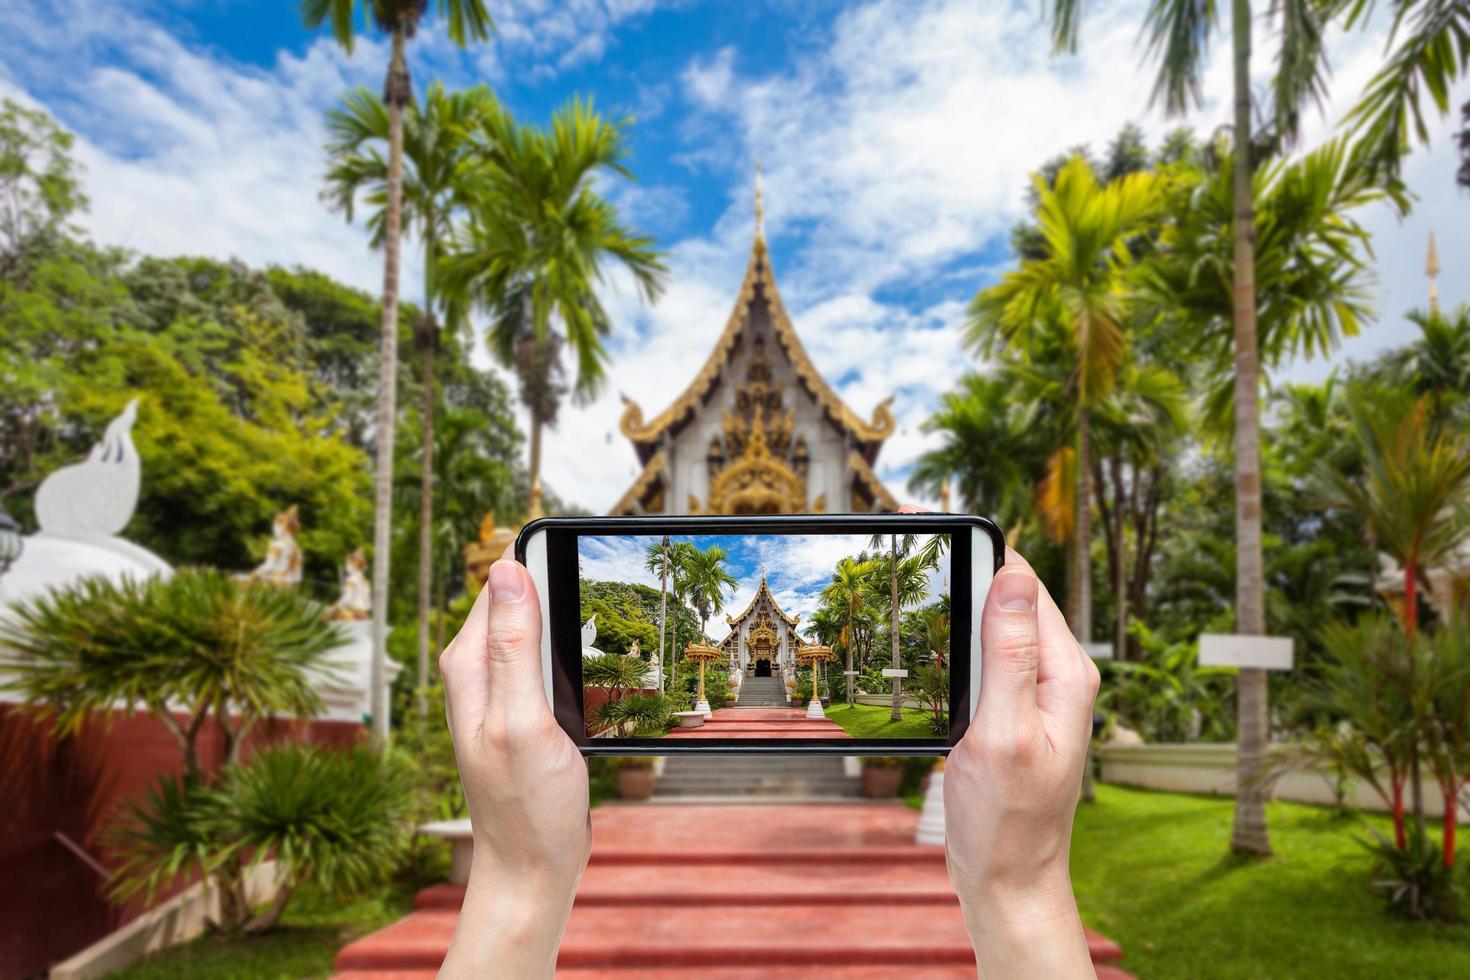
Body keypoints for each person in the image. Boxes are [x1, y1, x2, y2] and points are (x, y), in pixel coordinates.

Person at [437, 546, 1101, 979]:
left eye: (766, 641)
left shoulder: (785, 648)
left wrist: (521, 878)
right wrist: (1020, 890)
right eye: (761, 641)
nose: (762, 643)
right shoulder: (741, 644)